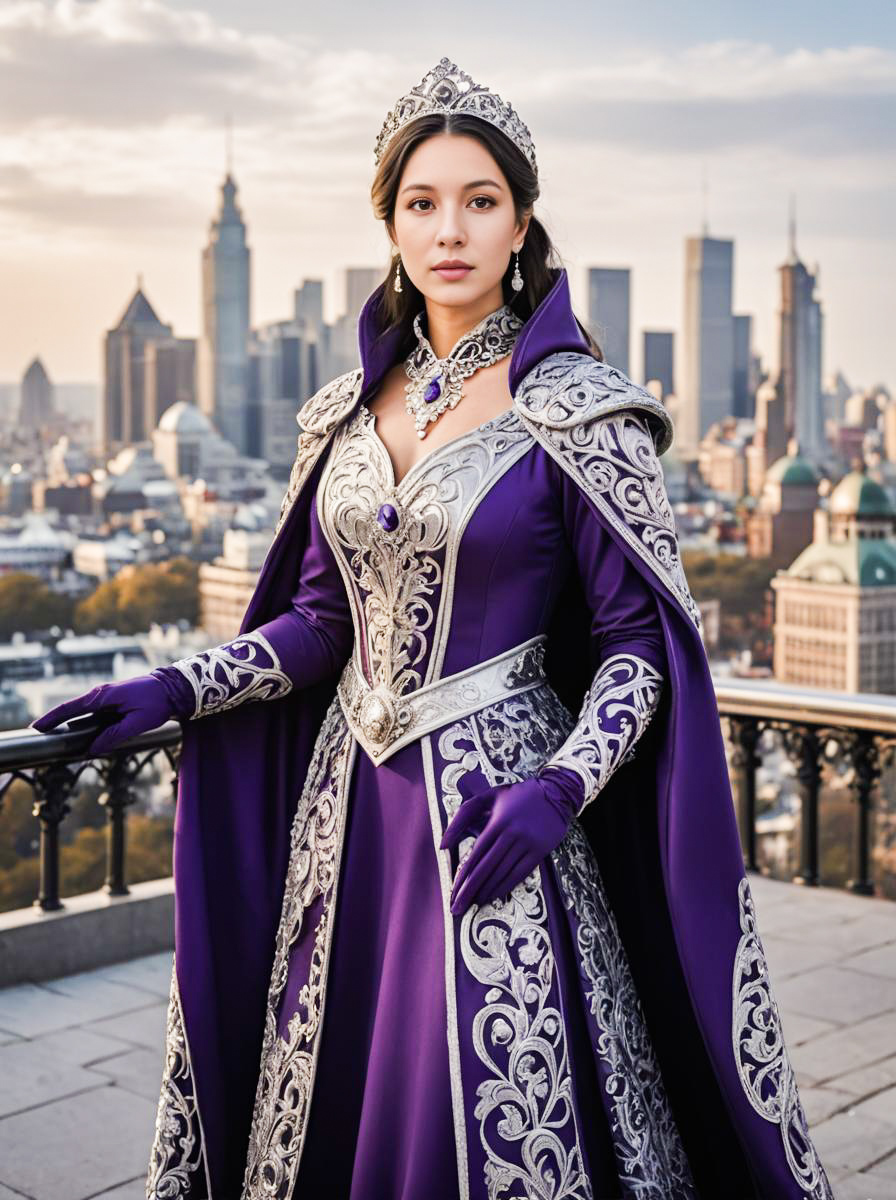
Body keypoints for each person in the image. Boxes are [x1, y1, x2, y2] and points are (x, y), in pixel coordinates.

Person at [33, 58, 832, 1200]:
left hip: (495, 820)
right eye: (421, 203)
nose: (448, 228)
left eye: (478, 200)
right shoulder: (345, 415)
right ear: (391, 223)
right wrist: (179, 688)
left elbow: (637, 647)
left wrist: (556, 790)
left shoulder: (578, 407)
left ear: (519, 223)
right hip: (344, 820)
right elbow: (319, 623)